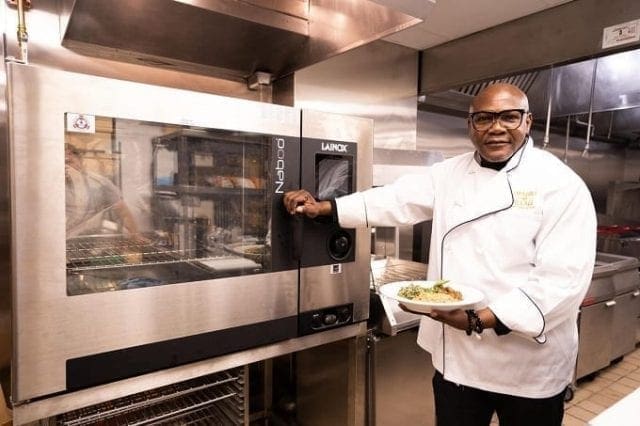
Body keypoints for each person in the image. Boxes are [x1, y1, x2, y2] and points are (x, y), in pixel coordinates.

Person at [283, 83, 597, 426]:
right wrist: (325, 207)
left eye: (508, 117)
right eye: (484, 118)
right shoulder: (450, 172)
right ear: (470, 124)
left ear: (527, 122)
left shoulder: (559, 184)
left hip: (528, 365)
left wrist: (478, 319)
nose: (496, 128)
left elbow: (561, 281)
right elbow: (395, 200)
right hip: (459, 361)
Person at [65, 143, 141, 238]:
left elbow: (123, 211)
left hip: (87, 238)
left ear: (80, 162)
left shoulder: (99, 182)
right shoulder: (47, 186)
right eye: (61, 163)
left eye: (68, 162)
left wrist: (136, 236)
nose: (65, 167)